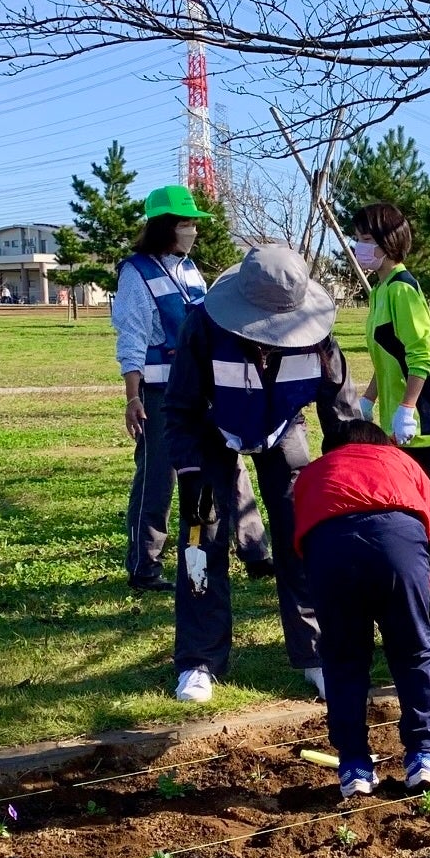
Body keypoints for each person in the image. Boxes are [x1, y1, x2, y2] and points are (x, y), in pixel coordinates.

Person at [164, 243, 357, 704]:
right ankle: (199, 660)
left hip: (282, 429)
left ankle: (315, 654)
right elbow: (180, 407)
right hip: (212, 433)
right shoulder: (203, 327)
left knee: (302, 534)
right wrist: (193, 472)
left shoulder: (318, 339)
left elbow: (342, 414)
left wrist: (346, 473)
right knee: (200, 542)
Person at [115, 185, 261, 593]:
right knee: (158, 477)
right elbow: (131, 338)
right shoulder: (136, 272)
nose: (194, 230)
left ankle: (251, 550)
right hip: (159, 394)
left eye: (195, 222)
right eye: (186, 223)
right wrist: (132, 396)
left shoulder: (190, 269)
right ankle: (144, 565)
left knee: (229, 464)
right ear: (165, 227)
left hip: (205, 388)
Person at [294, 420, 430, 796]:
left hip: (331, 552)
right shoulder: (403, 462)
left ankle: (354, 765)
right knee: (414, 650)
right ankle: (422, 756)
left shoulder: (313, 473)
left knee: (344, 658)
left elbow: (300, 538)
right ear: (383, 444)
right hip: (398, 543)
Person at [353, 203, 430, 485]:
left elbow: (422, 354)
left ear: (390, 242)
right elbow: (389, 355)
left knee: (421, 490)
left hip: (420, 416)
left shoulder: (402, 290)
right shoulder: (380, 291)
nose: (359, 247)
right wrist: (368, 399)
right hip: (395, 414)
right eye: (358, 239)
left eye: (368, 241)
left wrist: (407, 409)